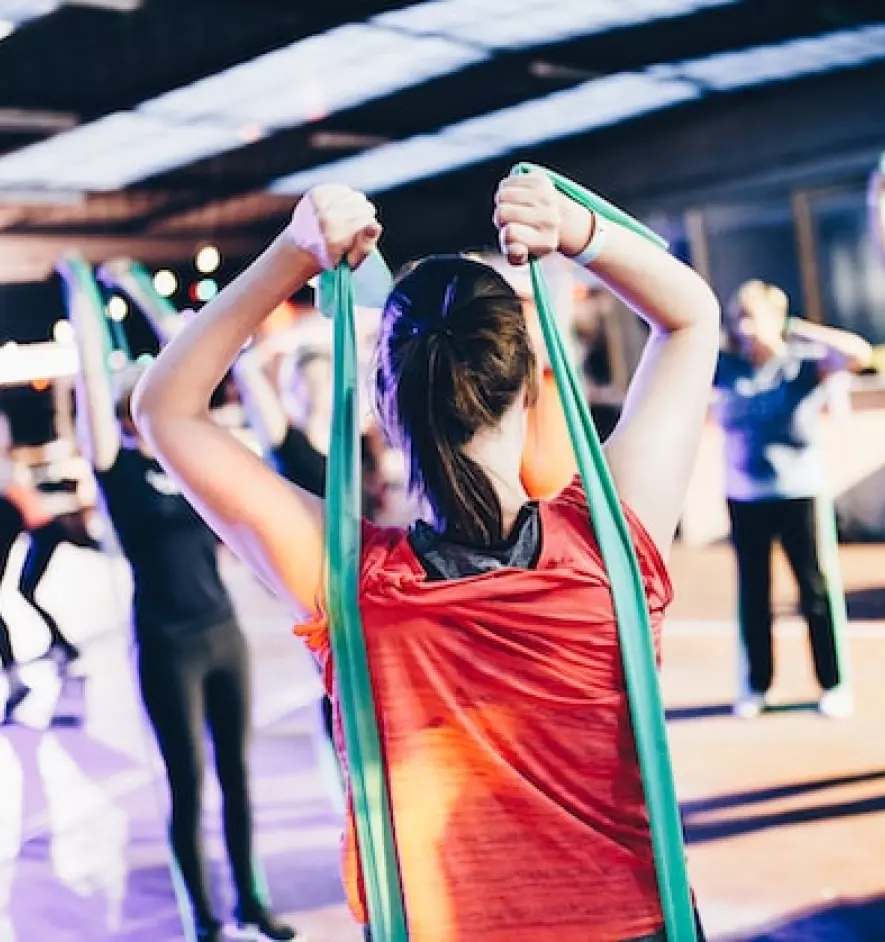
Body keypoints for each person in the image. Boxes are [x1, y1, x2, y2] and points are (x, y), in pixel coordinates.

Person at [131, 171, 720, 941]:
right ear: (527, 389)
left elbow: (163, 407)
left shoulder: (349, 583)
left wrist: (293, 253)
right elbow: (690, 318)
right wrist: (577, 231)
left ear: (385, 406)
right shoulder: (609, 544)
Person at [59, 258, 296, 942]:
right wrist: (83, 298)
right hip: (166, 644)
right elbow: (95, 392)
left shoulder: (189, 459)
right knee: (188, 785)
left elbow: (195, 354)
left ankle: (252, 903)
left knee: (237, 776)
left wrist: (137, 287)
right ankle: (203, 918)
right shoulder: (118, 473)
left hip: (223, 632)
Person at [714, 279, 873, 720]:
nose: (744, 327)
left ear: (774, 319)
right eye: (737, 317)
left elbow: (860, 354)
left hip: (799, 494)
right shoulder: (725, 366)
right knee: (753, 594)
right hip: (744, 496)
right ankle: (757, 685)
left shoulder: (801, 365)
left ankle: (833, 684)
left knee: (815, 591)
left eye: (752, 316)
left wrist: (800, 329)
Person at [0, 412, 81, 722]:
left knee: (25, 590)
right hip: (38, 530)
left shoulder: (6, 479)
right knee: (25, 590)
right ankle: (59, 644)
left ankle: (57, 648)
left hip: (44, 531)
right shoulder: (9, 474)